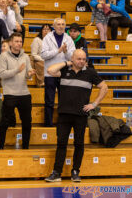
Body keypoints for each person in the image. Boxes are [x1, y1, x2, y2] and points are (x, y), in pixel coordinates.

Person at [45, 50, 108, 183]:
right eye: (78, 59)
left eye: (84, 59)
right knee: (61, 144)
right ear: (72, 59)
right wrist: (66, 63)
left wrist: (94, 104)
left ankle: (75, 171)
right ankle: (57, 173)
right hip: (63, 114)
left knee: (79, 144)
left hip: (80, 115)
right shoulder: (64, 71)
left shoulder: (90, 73)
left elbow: (104, 87)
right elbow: (50, 70)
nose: (81, 61)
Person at [0, 33, 35, 150]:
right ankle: (0, 148)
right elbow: (2, 74)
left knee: (27, 123)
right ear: (10, 43)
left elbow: (28, 74)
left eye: (20, 41)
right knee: (5, 122)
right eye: (16, 41)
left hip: (24, 93)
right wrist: (17, 70)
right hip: (10, 94)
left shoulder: (25, 57)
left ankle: (26, 148)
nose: (19, 44)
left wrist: (30, 74)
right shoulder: (3, 56)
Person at [41, 18, 75, 127]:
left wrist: (65, 52)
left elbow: (73, 57)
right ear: (54, 26)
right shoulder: (47, 38)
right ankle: (48, 123)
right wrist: (58, 51)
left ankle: (62, 123)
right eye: (58, 24)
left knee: (63, 100)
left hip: (64, 72)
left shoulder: (68, 38)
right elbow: (43, 55)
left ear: (65, 26)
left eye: (63, 24)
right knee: (49, 100)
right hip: (50, 72)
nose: (61, 26)